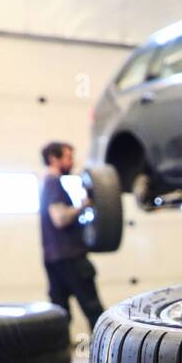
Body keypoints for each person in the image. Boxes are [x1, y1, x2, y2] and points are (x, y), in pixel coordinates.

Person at [39, 141, 104, 331]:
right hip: (71, 257)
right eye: (68, 157)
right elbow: (60, 218)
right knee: (94, 311)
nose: (72, 162)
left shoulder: (45, 184)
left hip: (53, 258)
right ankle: (104, 350)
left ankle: (59, 351)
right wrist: (83, 205)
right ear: (53, 158)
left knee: (60, 315)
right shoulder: (53, 183)